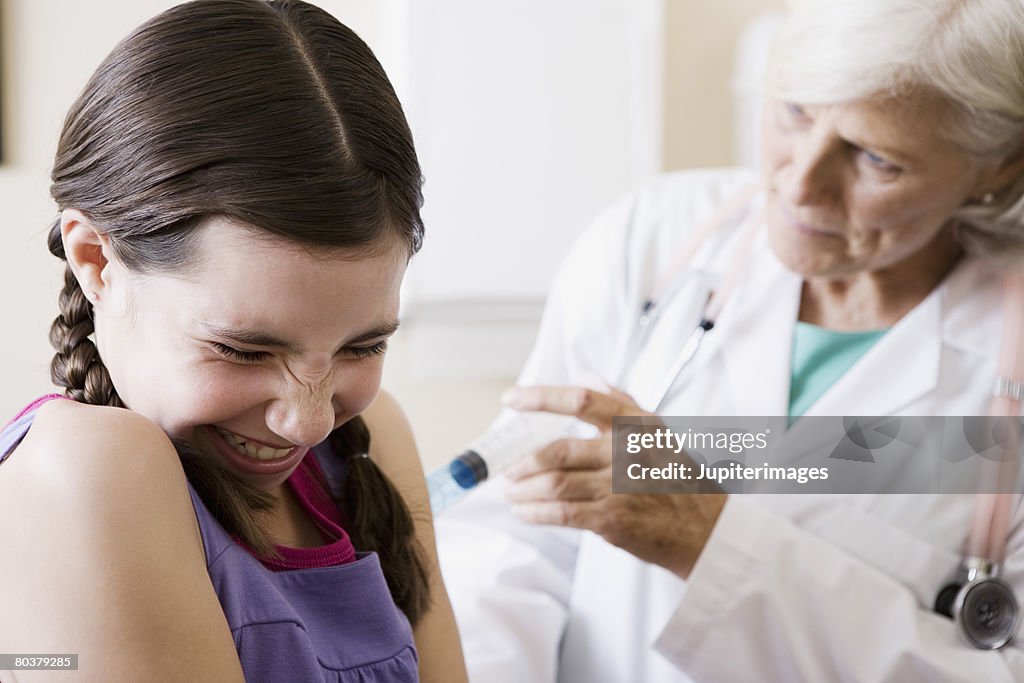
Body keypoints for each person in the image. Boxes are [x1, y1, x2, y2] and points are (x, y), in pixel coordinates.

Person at [435, 0, 1024, 680]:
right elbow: (514, 542)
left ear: (999, 166)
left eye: (875, 158)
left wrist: (711, 543)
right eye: (794, 112)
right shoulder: (656, 239)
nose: (798, 184)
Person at [0, 1, 467, 681]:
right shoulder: (92, 470)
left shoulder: (364, 443)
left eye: (360, 347)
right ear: (96, 260)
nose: (307, 421)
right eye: (245, 351)